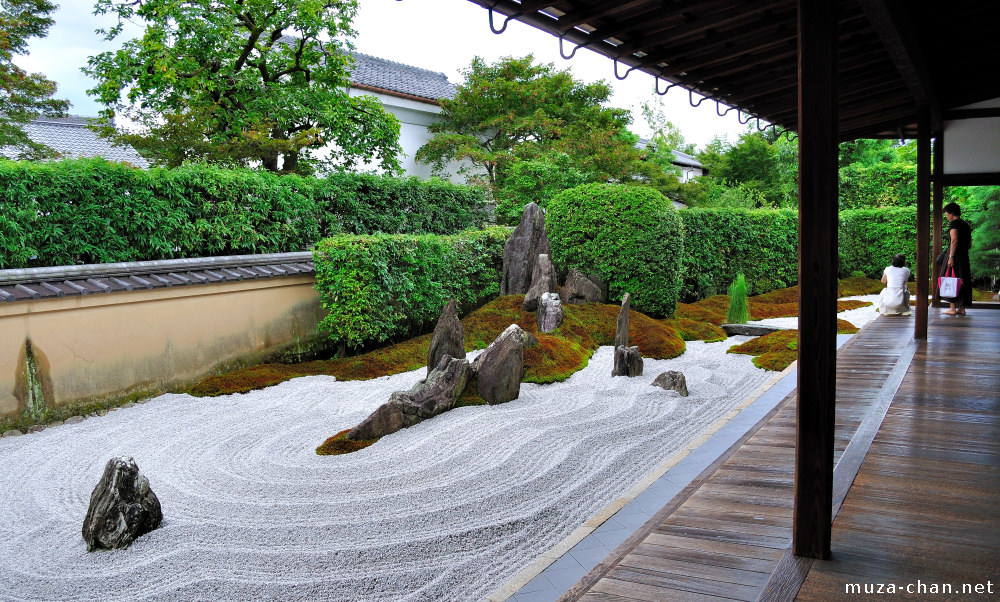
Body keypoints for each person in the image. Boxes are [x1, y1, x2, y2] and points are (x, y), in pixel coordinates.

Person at [942, 201, 973, 315]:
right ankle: (962, 308)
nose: (946, 216)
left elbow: (954, 240)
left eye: (946, 213)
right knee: (962, 279)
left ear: (951, 213)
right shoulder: (965, 224)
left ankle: (952, 308)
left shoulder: (954, 224)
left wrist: (951, 257)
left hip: (955, 255)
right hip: (964, 255)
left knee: (952, 277)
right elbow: (969, 243)